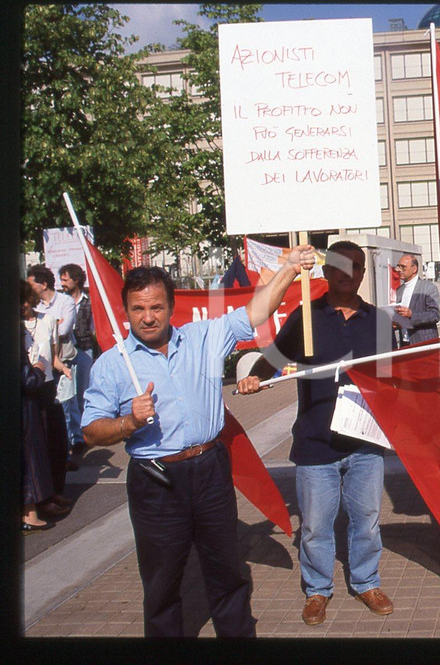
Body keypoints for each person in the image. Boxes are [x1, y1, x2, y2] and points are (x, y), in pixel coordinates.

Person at [82, 245, 316, 638]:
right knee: (162, 583)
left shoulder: (204, 336)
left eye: (156, 307)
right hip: (156, 481)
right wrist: (128, 422)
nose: (147, 317)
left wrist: (290, 269)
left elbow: (256, 312)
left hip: (210, 471)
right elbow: (91, 431)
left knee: (227, 571)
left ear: (171, 307)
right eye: (138, 309)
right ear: (126, 311)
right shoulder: (112, 364)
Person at [238, 241, 396, 627]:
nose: (348, 273)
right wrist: (255, 376)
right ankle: (317, 589)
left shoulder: (379, 321)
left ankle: (366, 582)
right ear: (325, 272)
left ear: (363, 274)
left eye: (356, 266)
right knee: (314, 526)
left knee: (366, 520)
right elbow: (274, 357)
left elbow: (393, 376)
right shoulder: (306, 317)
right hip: (315, 441)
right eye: (340, 265)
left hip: (365, 442)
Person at [22, 279, 73, 518]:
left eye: (25, 301)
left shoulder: (48, 320)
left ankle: (53, 491)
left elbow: (53, 357)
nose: (23, 306)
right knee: (36, 447)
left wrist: (63, 369)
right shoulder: (15, 325)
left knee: (55, 441)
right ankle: (41, 499)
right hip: (28, 390)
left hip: (47, 386)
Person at [29, 265, 79, 470]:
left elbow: (62, 331)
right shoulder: (27, 319)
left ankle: (67, 455)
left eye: (31, 284)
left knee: (64, 413)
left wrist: (64, 369)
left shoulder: (57, 309)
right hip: (36, 378)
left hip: (57, 371)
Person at [21, 281, 59, 532]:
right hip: (24, 405)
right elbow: (25, 379)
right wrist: (36, 371)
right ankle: (29, 514)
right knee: (28, 457)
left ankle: (38, 504)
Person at [59, 263, 95, 458]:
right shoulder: (62, 301)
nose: (62, 283)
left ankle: (84, 434)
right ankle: (75, 437)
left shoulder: (88, 302)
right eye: (61, 279)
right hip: (66, 352)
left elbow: (94, 327)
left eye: (65, 279)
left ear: (77, 280)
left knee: (82, 393)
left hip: (84, 349)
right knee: (69, 395)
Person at [392, 253, 440, 345]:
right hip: (405, 342)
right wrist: (396, 323)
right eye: (398, 266)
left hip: (424, 341)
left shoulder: (428, 287)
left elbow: (435, 315)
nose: (399, 270)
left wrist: (412, 315)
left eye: (403, 267)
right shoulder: (399, 290)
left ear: (414, 269)